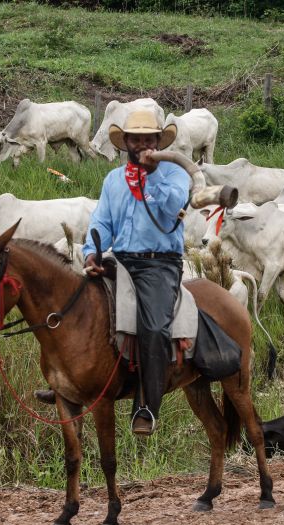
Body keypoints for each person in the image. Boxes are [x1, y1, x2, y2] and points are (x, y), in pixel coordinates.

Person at [80, 108, 190, 436]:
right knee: (79, 304)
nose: (143, 144)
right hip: (120, 258)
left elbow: (174, 209)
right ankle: (74, 381)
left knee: (154, 327)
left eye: (149, 138)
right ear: (125, 141)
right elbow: (102, 221)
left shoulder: (174, 173)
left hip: (158, 262)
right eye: (136, 138)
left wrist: (151, 175)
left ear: (159, 140)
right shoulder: (114, 179)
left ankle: (147, 405)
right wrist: (91, 253)